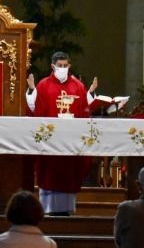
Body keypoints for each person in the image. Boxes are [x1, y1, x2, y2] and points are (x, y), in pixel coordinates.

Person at [26, 51, 98, 216]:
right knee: (50, 173)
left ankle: (67, 214)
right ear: (53, 66)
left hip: (70, 144)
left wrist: (91, 95)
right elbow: (35, 111)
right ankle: (47, 211)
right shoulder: (43, 85)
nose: (63, 68)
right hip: (50, 144)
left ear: (69, 66)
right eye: (60, 66)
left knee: (68, 175)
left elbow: (85, 112)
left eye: (66, 66)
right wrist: (31, 91)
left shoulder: (78, 86)